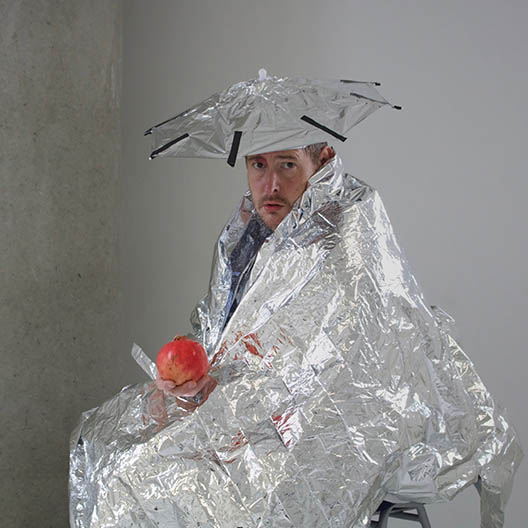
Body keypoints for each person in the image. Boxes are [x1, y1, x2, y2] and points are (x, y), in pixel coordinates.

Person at [155, 143, 335, 399]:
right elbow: (215, 334)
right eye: (259, 165)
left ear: (323, 161)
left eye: (288, 165)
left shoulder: (344, 244)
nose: (271, 185)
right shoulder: (245, 238)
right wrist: (187, 379)